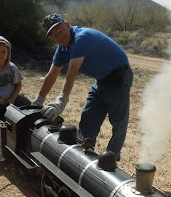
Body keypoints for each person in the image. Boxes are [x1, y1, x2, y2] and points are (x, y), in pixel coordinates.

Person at [32, 13, 133, 161]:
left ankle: (111, 160)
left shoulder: (82, 37)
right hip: (102, 79)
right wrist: (38, 102)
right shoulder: (63, 48)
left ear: (67, 24)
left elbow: (72, 72)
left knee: (118, 121)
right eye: (54, 36)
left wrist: (61, 101)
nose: (59, 37)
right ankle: (83, 155)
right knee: (88, 117)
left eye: (59, 31)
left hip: (119, 77)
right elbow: (51, 75)